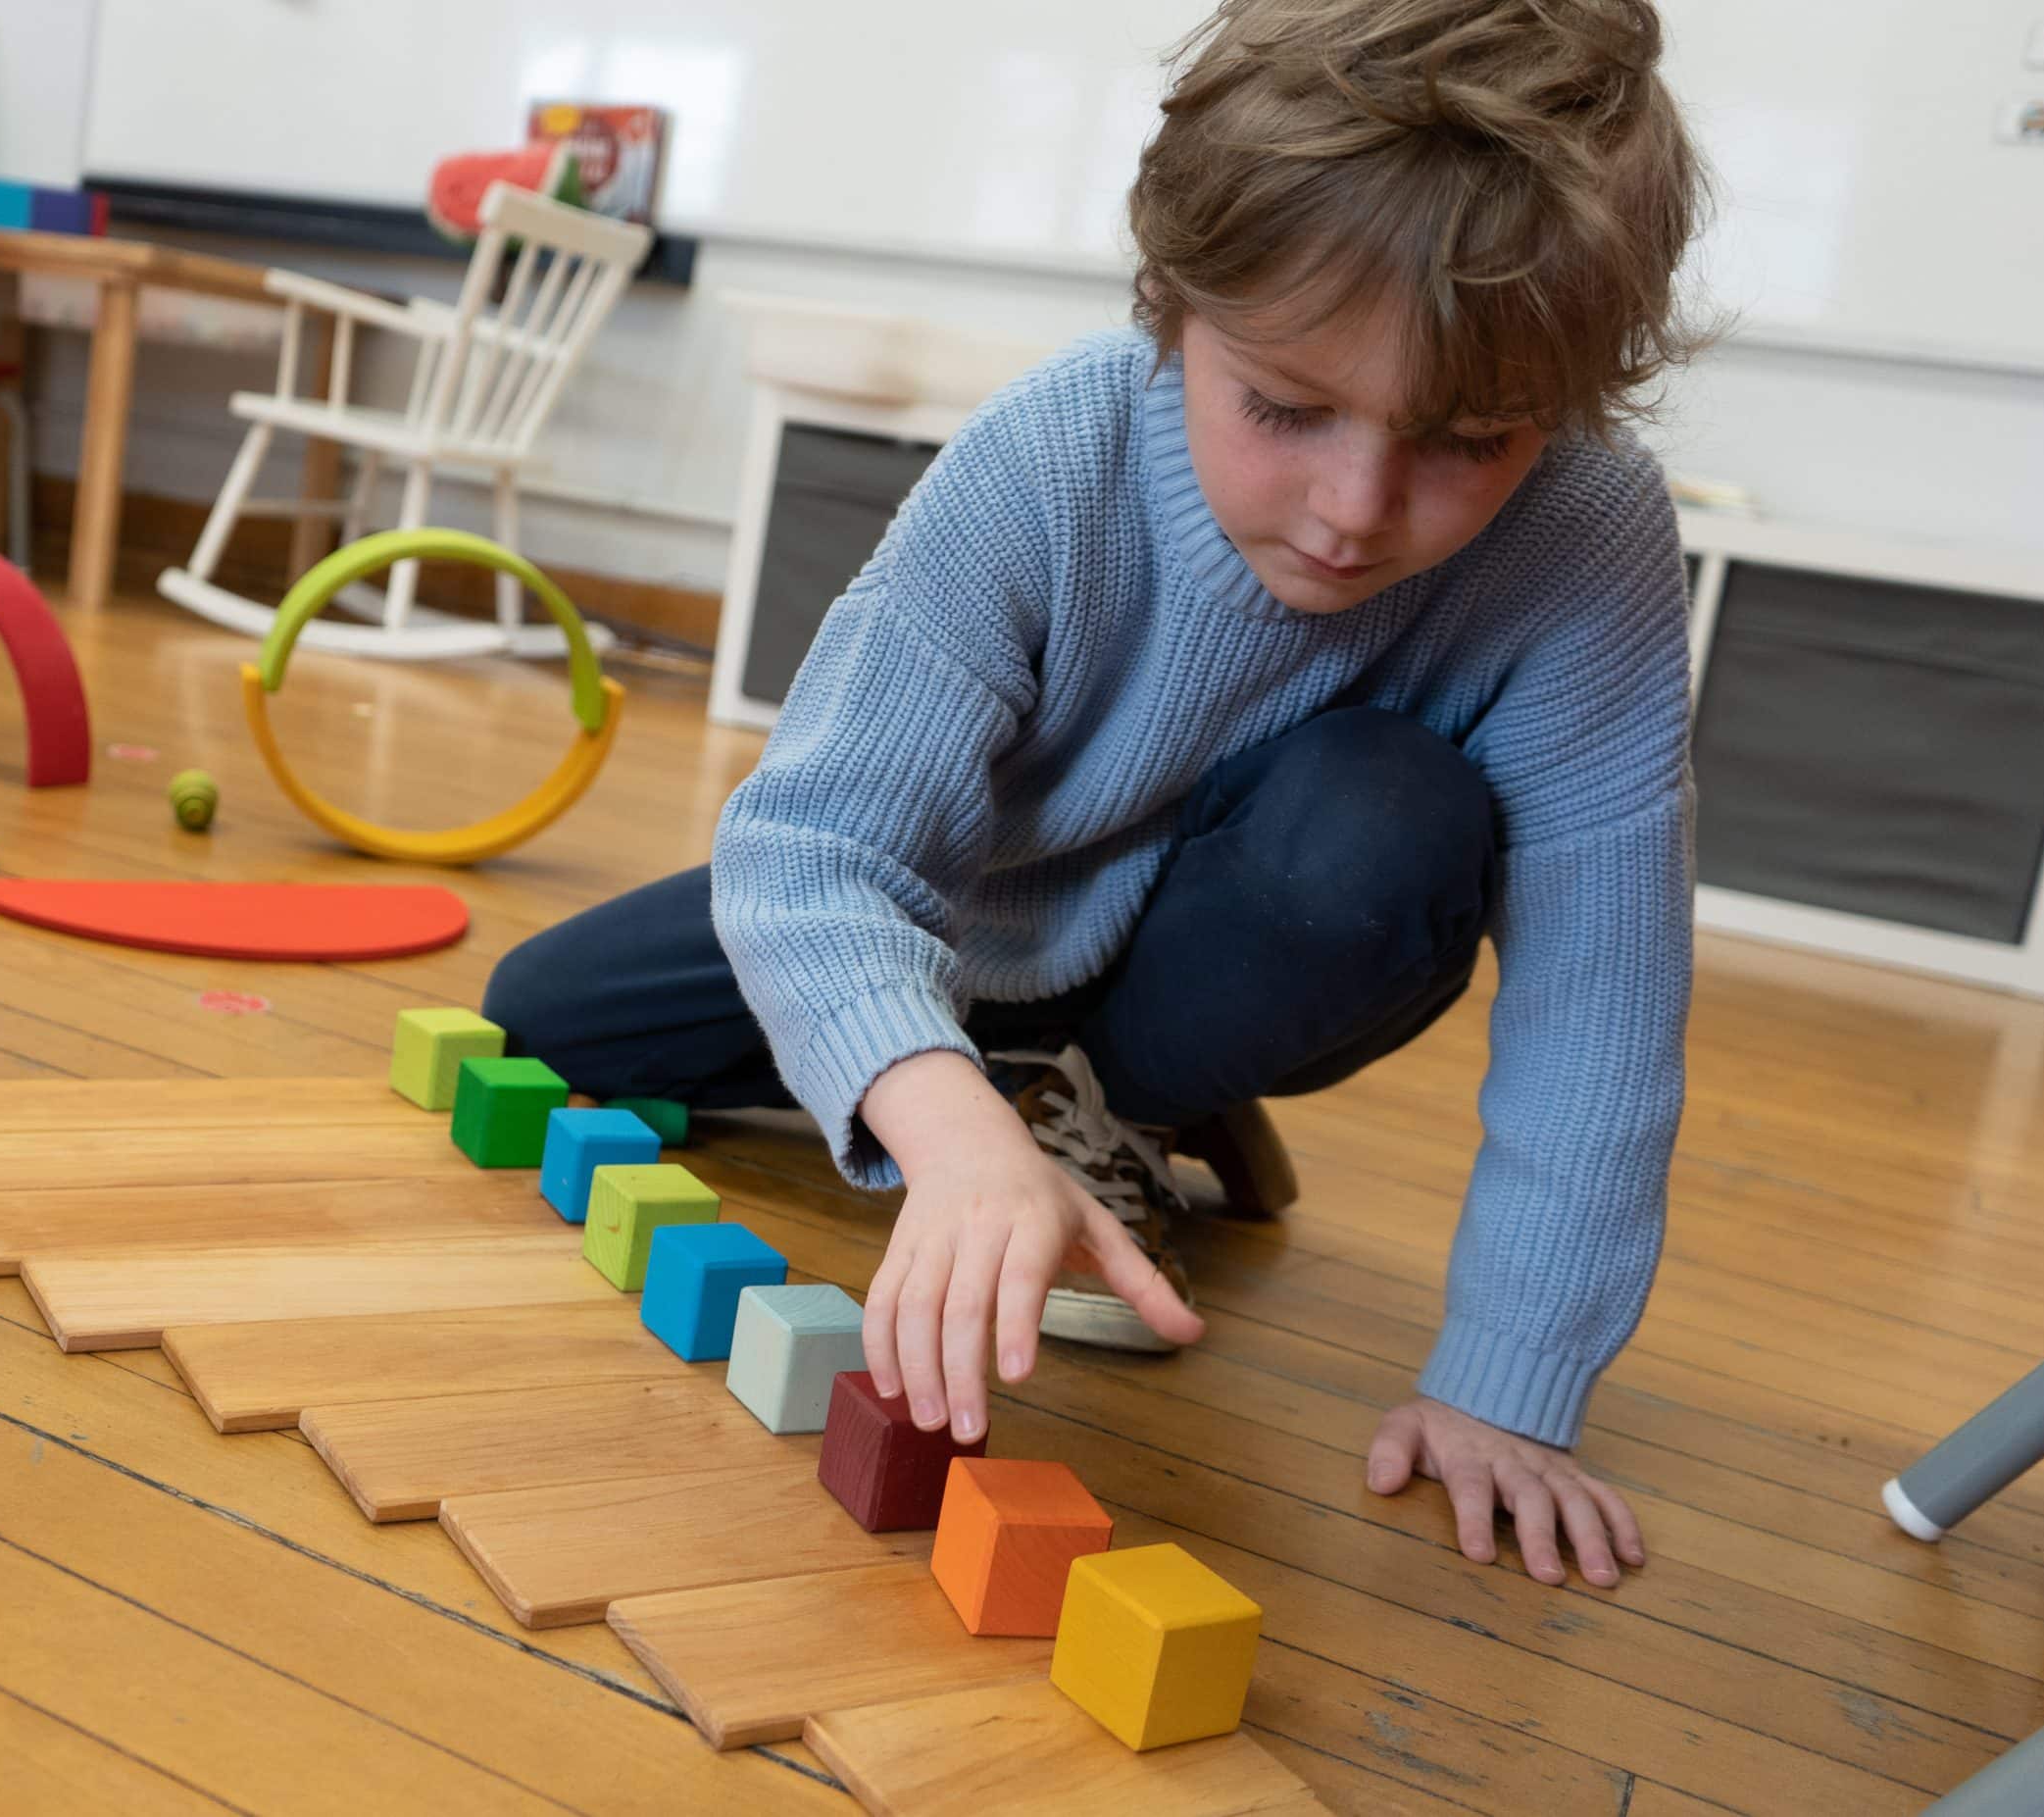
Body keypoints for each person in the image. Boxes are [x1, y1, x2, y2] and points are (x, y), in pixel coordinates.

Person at [487, 0, 1709, 1590]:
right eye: (1285, 409)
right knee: (539, 1018)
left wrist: (1511, 1385)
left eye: (1468, 442)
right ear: (1169, 307)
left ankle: (1101, 1087)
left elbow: (1602, 1004)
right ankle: (945, 1056)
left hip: (1226, 931)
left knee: (1386, 820)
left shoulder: (1594, 543)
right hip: (966, 909)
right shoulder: (1050, 454)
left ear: (1567, 402)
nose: (1354, 511)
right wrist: (942, 1116)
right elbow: (810, 852)